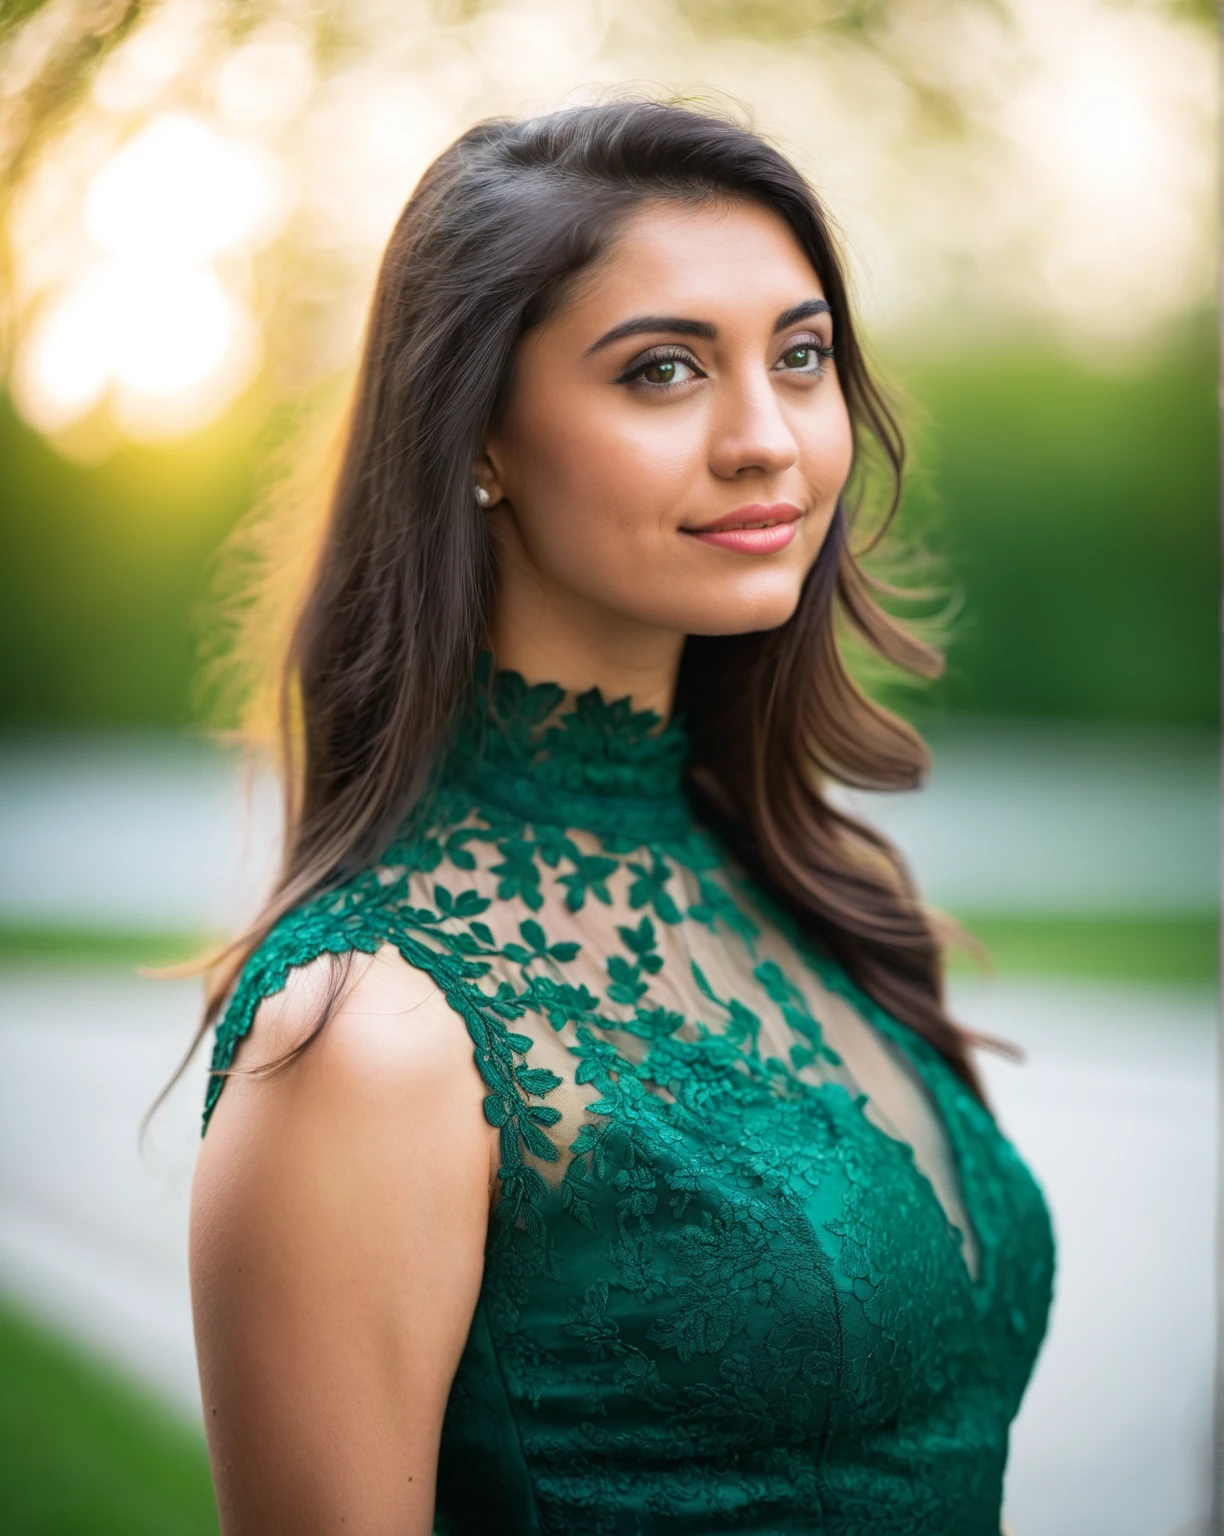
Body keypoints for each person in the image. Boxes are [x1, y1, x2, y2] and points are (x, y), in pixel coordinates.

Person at [188, 99, 1054, 1536]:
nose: (767, 439)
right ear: (478, 438)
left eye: (801, 356)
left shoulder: (806, 891)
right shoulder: (373, 1041)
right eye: (662, 372)